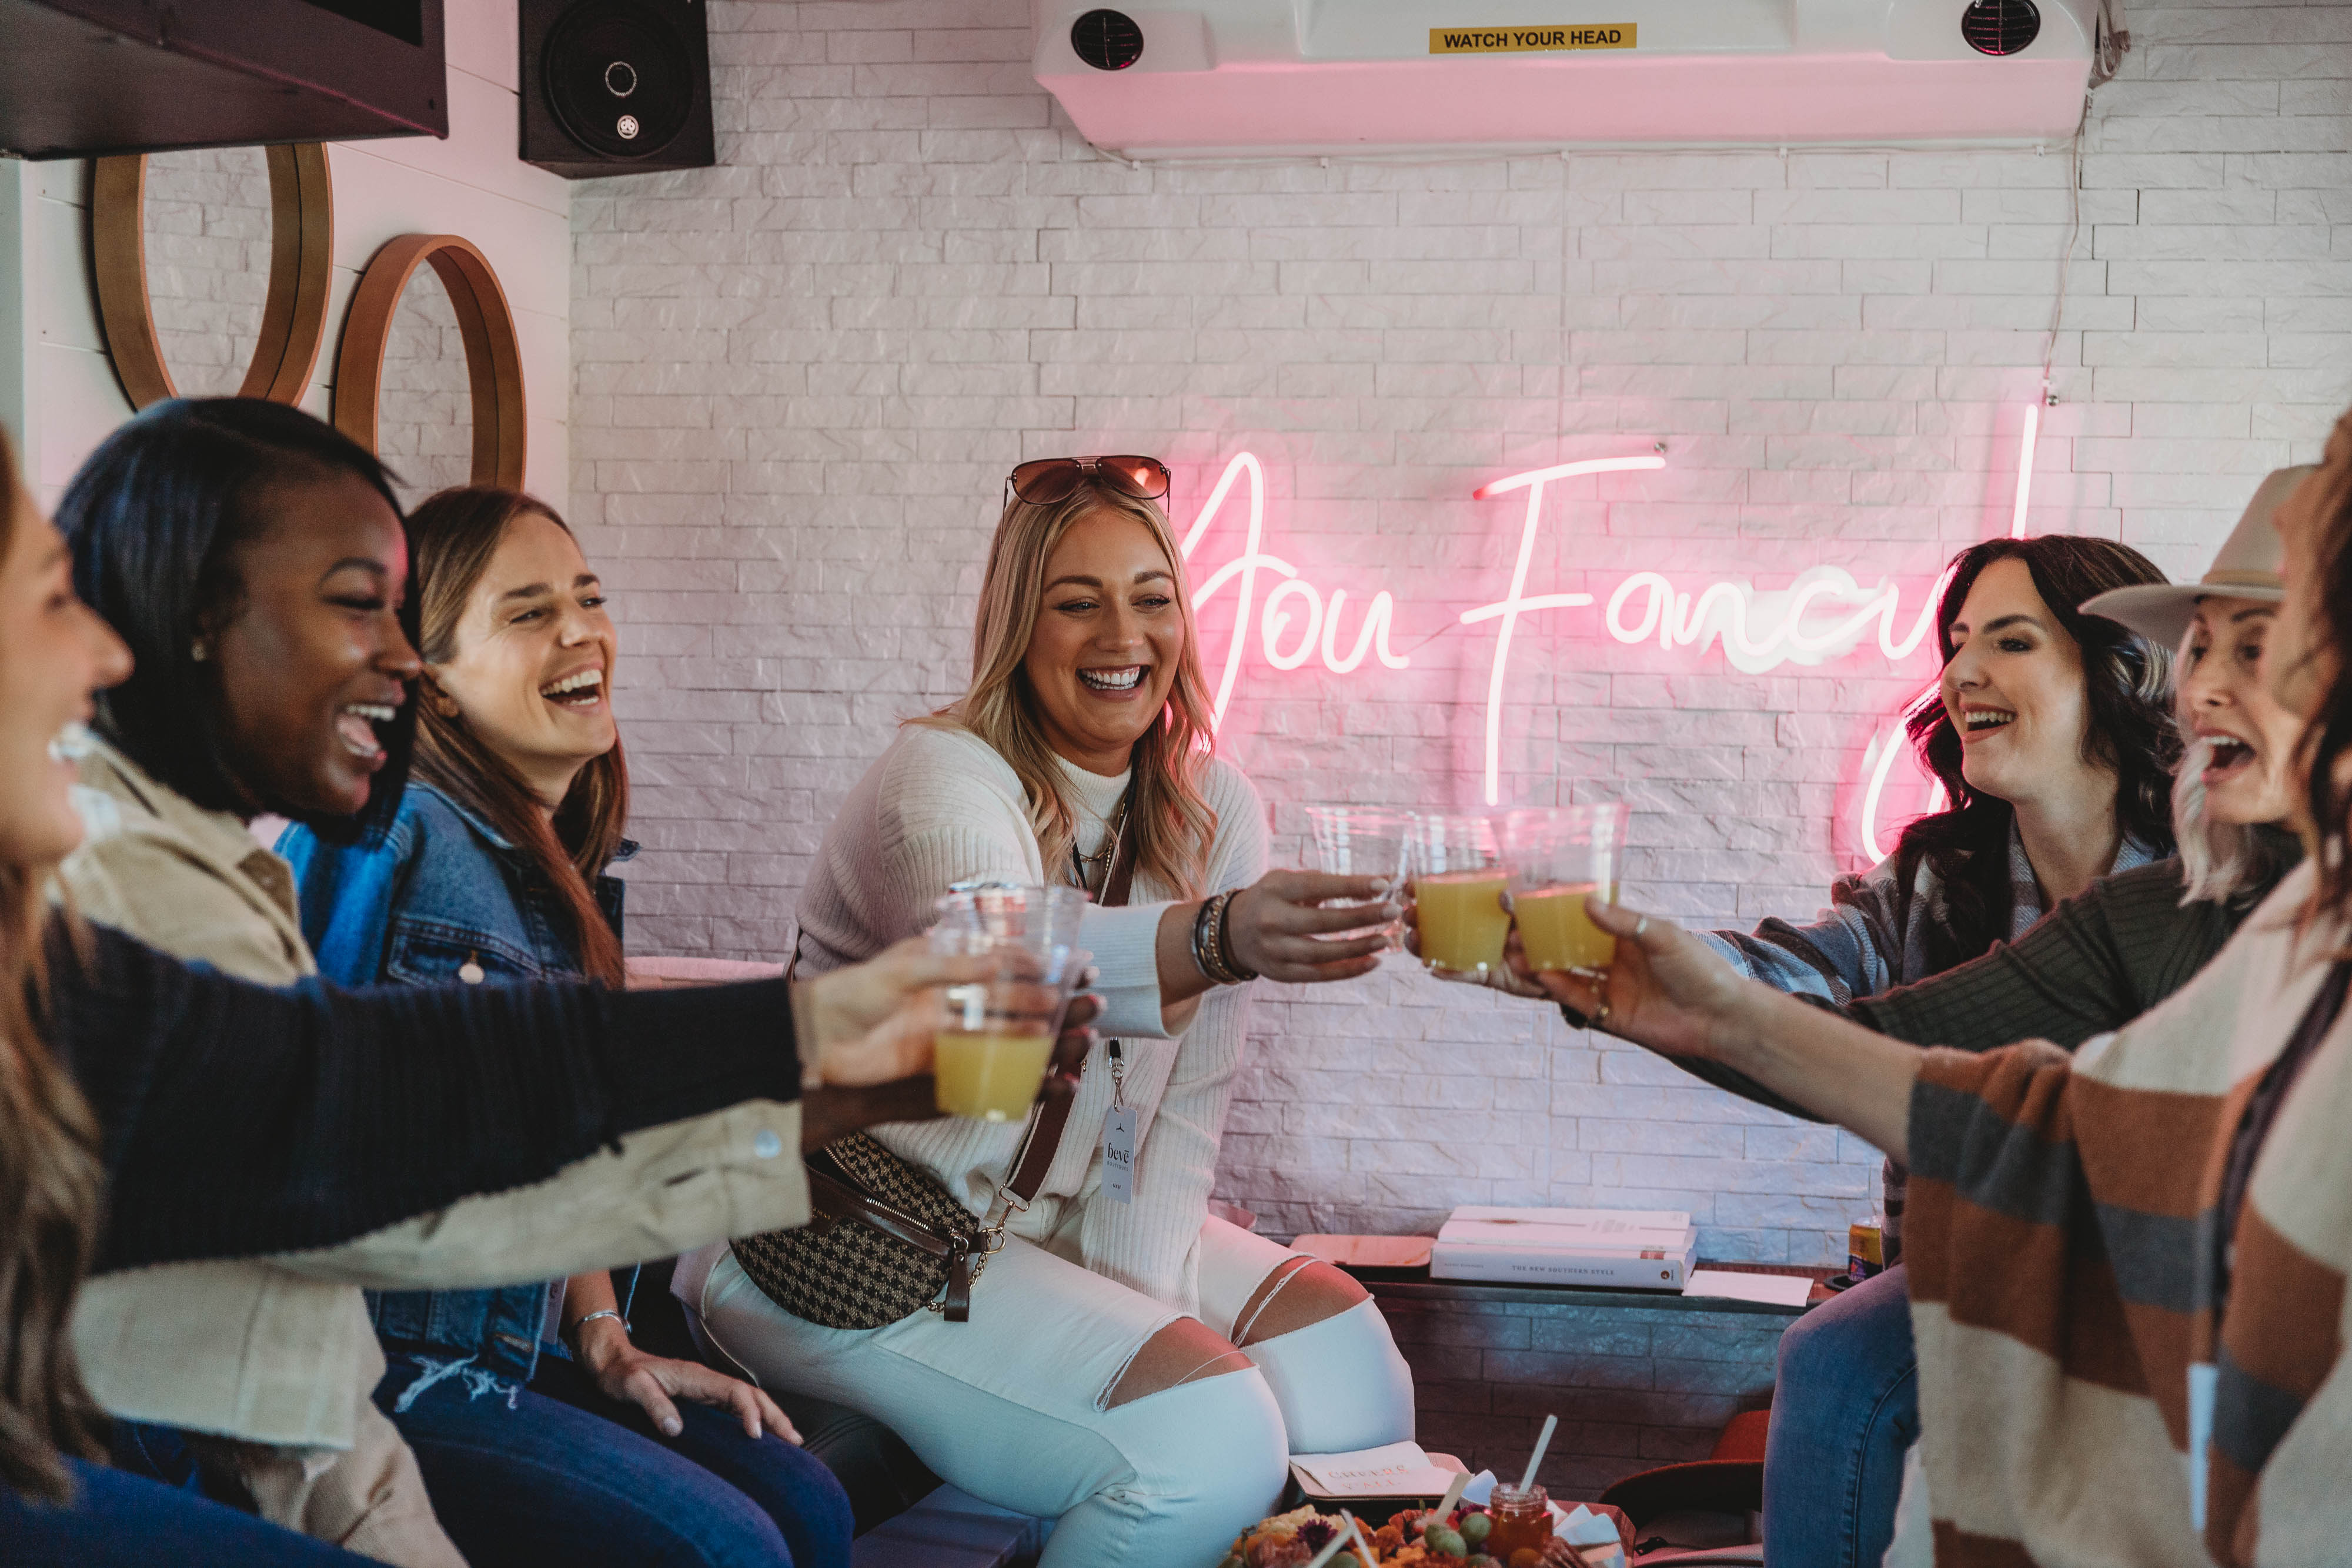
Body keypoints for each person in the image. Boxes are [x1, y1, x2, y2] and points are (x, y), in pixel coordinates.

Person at [46, 399, 1035, 1567]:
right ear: (196, 617)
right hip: (252, 1428)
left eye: (589, 597)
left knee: (788, 1508)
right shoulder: (247, 862)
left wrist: (842, 1087)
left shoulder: (234, 867)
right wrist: (820, 1045)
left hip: (319, 1420)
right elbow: (406, 1140)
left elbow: (427, 1123)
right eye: (363, 603)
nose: (401, 656)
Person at [1522, 409, 2352, 1568]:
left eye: (2253, 649)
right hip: (2060, 1266)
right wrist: (1670, 990)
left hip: (2204, 1313)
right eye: (2202, 647)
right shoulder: (2043, 895)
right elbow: (1934, 1072)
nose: (1959, 670)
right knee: (1835, 1355)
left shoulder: (2233, 903)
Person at [678, 454, 1418, 1566]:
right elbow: (998, 953)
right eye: (1078, 602)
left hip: (1035, 1219)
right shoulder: (936, 779)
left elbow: (1179, 1115)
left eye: (1151, 597)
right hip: (847, 1237)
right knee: (1207, 1438)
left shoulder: (1215, 807)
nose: (1124, 635)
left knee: (1348, 1360)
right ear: (1017, 625)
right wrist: (1217, 936)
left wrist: (1135, 1318)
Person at [279, 486, 856, 1568]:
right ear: (431, 685)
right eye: (529, 611)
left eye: (587, 596)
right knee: (731, 1553)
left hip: (492, 1348)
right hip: (369, 1368)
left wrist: (604, 1336)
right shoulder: (383, 826)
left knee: (806, 1500)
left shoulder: (550, 869)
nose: (583, 628)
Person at [1697, 535, 2179, 1568]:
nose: (1962, 674)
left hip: (2165, 1286)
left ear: (2119, 669)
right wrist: (1611, 958)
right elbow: (1791, 979)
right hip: (1975, 1275)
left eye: (2010, 641)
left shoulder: (2205, 875)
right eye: (1956, 644)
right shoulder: (1938, 879)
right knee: (1831, 1356)